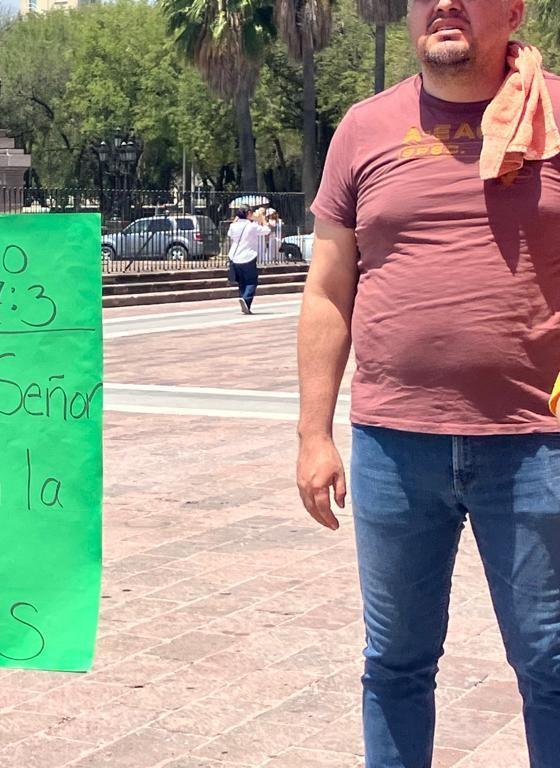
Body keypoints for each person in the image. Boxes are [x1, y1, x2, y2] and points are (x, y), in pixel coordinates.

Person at [297, 1, 560, 766]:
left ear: (511, 12)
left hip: (536, 448)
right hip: (392, 445)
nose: (442, 4)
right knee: (396, 667)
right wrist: (313, 435)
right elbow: (327, 289)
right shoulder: (363, 129)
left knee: (550, 668)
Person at [226, 206, 269, 314]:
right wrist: (262, 218)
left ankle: (243, 299)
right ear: (248, 213)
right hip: (247, 256)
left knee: (241, 281)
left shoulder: (233, 226)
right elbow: (267, 230)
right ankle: (246, 300)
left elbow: (230, 235)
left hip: (235, 257)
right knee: (251, 281)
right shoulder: (251, 226)